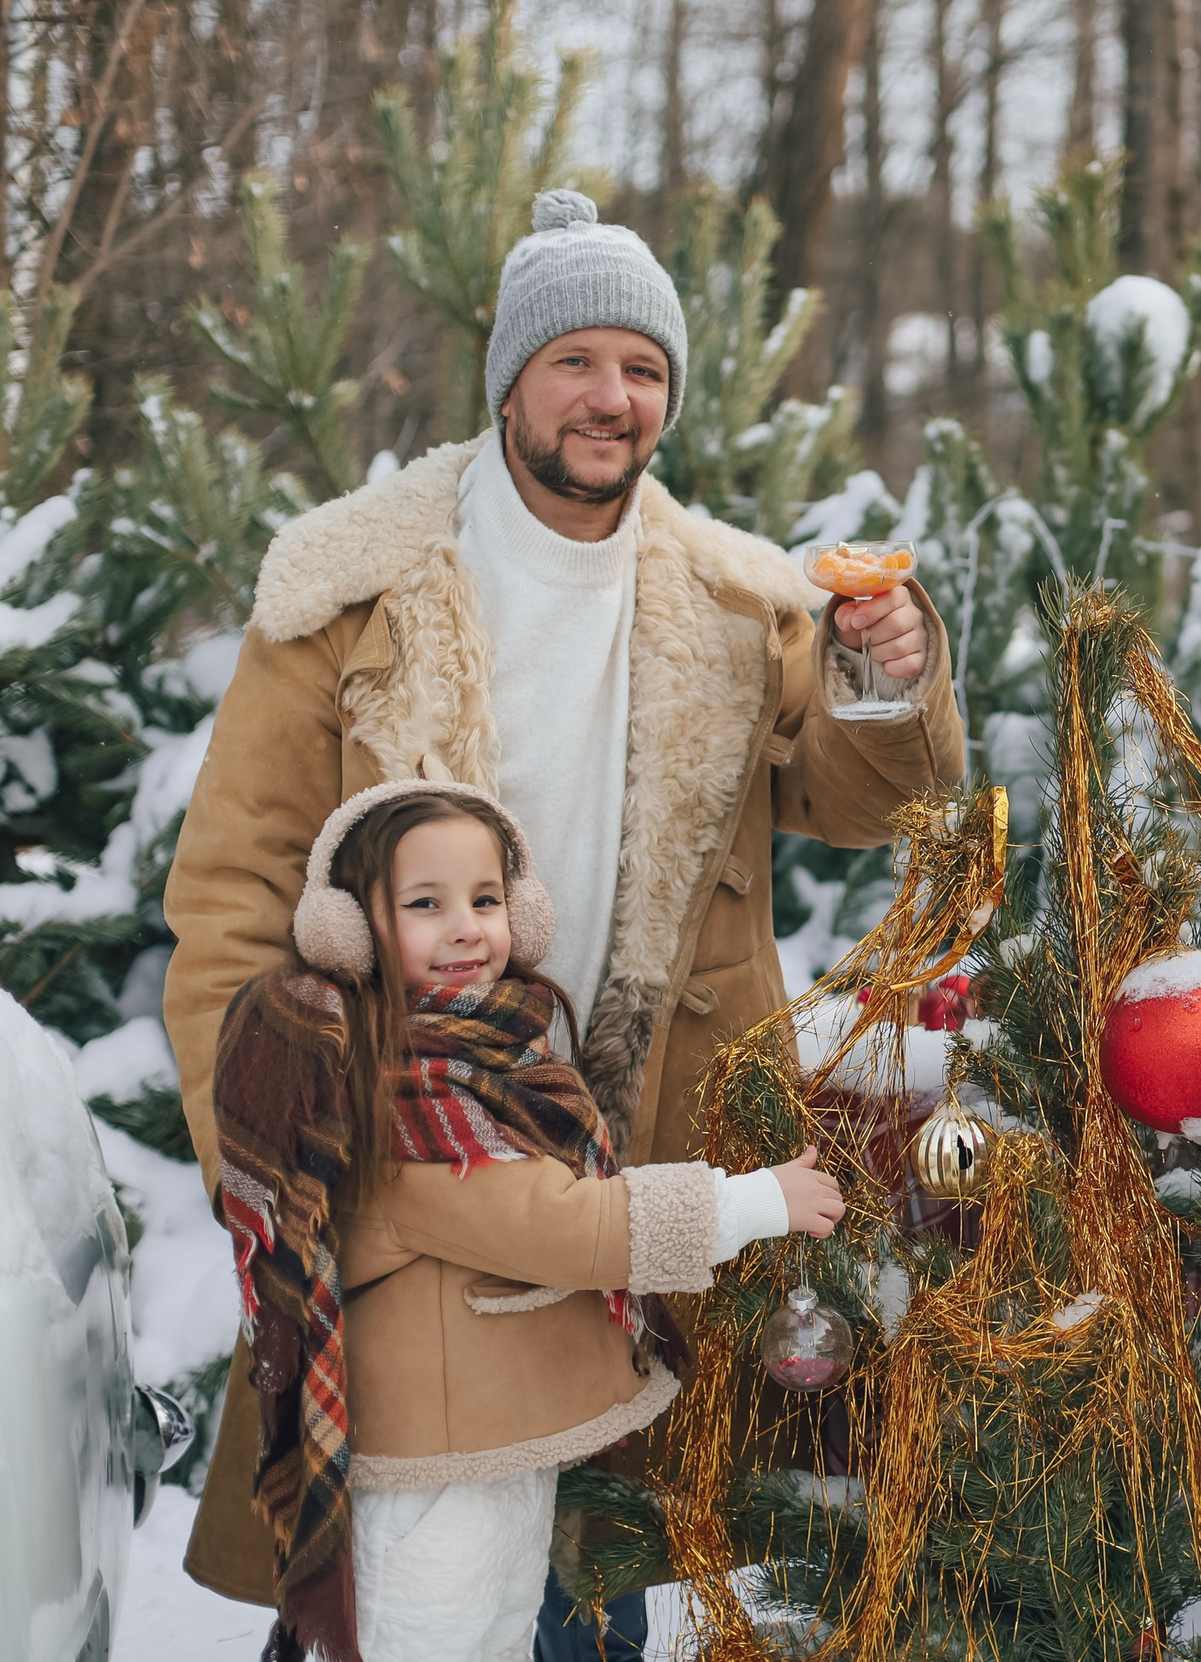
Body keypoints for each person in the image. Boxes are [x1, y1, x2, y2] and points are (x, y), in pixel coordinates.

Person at [166, 188, 965, 1654]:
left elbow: (859, 797)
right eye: (577, 362)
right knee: (399, 1570)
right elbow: (228, 896)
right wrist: (274, 1154)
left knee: (596, 1567)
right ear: (511, 382)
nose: (613, 398)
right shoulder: (353, 592)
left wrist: (889, 678)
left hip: (634, 1130)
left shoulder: (738, 600)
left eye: (644, 368)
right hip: (404, 1146)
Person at [215, 781, 846, 1662]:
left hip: (486, 1452)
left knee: (498, 1633)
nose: (467, 927)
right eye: (425, 904)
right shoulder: (394, 1093)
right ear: (350, 930)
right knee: (437, 1639)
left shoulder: (485, 1052)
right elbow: (560, 1225)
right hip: (436, 1479)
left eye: (485, 899)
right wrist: (750, 1201)